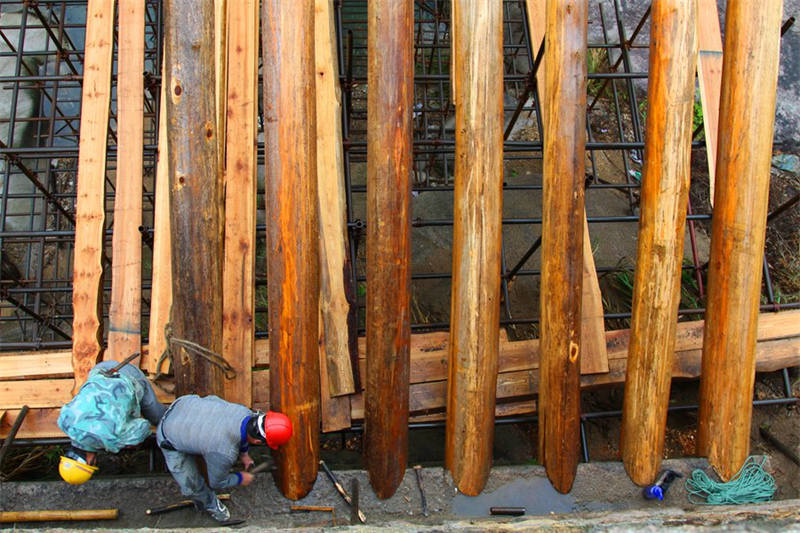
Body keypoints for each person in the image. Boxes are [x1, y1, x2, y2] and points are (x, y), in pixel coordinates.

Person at [156, 395, 292, 522]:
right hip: (168, 435)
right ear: (258, 442)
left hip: (184, 404)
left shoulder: (243, 411)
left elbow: (243, 431)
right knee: (191, 486)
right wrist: (240, 478)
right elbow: (217, 483)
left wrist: (244, 455)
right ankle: (210, 505)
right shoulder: (224, 452)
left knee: (212, 403)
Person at [57, 359, 166, 485]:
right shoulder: (63, 422)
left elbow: (144, 427)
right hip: (101, 369)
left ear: (88, 462)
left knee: (158, 418)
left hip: (130, 375)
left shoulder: (112, 441)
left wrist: (127, 439)